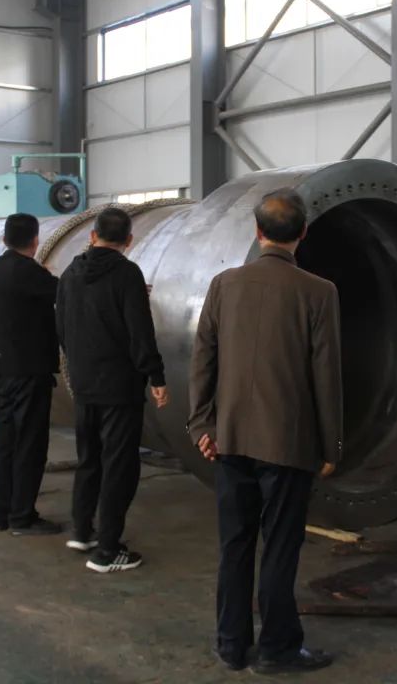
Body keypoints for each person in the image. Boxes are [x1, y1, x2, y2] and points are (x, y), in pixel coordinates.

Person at [188, 189, 343, 675]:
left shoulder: (224, 284)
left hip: (229, 439)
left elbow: (203, 359)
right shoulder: (319, 292)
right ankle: (277, 649)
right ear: (302, 234)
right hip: (287, 444)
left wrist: (202, 426)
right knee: (279, 547)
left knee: (235, 545)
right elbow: (326, 375)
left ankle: (231, 645)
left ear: (257, 232)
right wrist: (331, 444)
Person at [56, 208, 170, 574]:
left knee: (89, 458)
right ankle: (107, 551)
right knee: (119, 465)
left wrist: (78, 363)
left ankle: (82, 531)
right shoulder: (127, 274)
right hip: (119, 386)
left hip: (84, 383)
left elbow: (61, 326)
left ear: (92, 235)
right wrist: (156, 376)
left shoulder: (70, 273)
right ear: (129, 241)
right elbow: (140, 332)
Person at [0, 213, 62, 536]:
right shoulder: (28, 272)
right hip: (29, 370)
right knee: (30, 444)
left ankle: (2, 512)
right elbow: (66, 292)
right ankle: (22, 517)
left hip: (3, 370)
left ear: (4, 240)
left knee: (8, 443)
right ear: (35, 239)